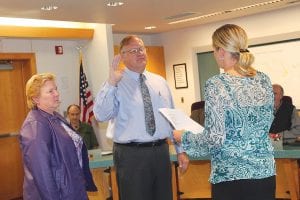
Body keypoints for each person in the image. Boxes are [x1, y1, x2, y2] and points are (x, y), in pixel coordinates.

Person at [173, 24, 276, 200]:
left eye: (213, 50)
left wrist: (184, 137)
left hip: (231, 176)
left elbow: (215, 138)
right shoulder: (263, 80)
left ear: (221, 51)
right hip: (265, 173)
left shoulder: (216, 84)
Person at [93, 35, 189, 200]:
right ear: (122, 56)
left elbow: (173, 118)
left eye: (142, 49)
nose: (140, 53)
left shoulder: (159, 81)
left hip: (160, 151)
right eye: (133, 50)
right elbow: (101, 115)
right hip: (131, 155)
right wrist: (110, 83)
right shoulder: (116, 82)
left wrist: (181, 150)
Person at [19, 73, 97, 200]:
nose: (57, 93)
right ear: (35, 98)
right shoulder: (35, 126)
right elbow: (42, 173)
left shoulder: (55, 116)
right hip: (58, 194)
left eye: (56, 89)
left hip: (72, 187)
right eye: (50, 91)